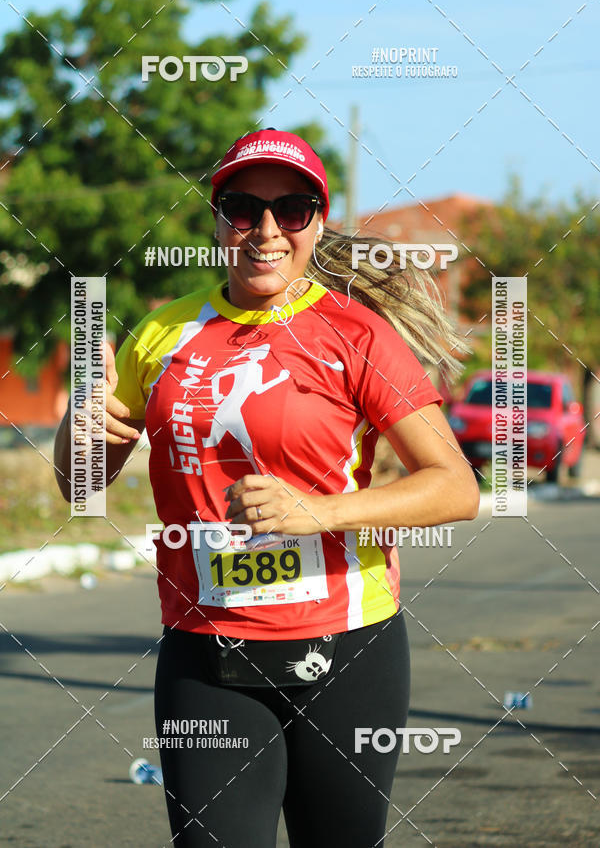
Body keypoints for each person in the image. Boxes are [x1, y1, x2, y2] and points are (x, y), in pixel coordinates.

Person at [54, 128, 479, 847]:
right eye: (245, 208)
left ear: (318, 221)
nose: (267, 230)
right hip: (206, 647)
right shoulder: (162, 333)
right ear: (218, 219)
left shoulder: (357, 335)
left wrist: (318, 512)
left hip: (347, 649)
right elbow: (81, 486)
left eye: (294, 209)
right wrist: (77, 427)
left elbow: (455, 488)